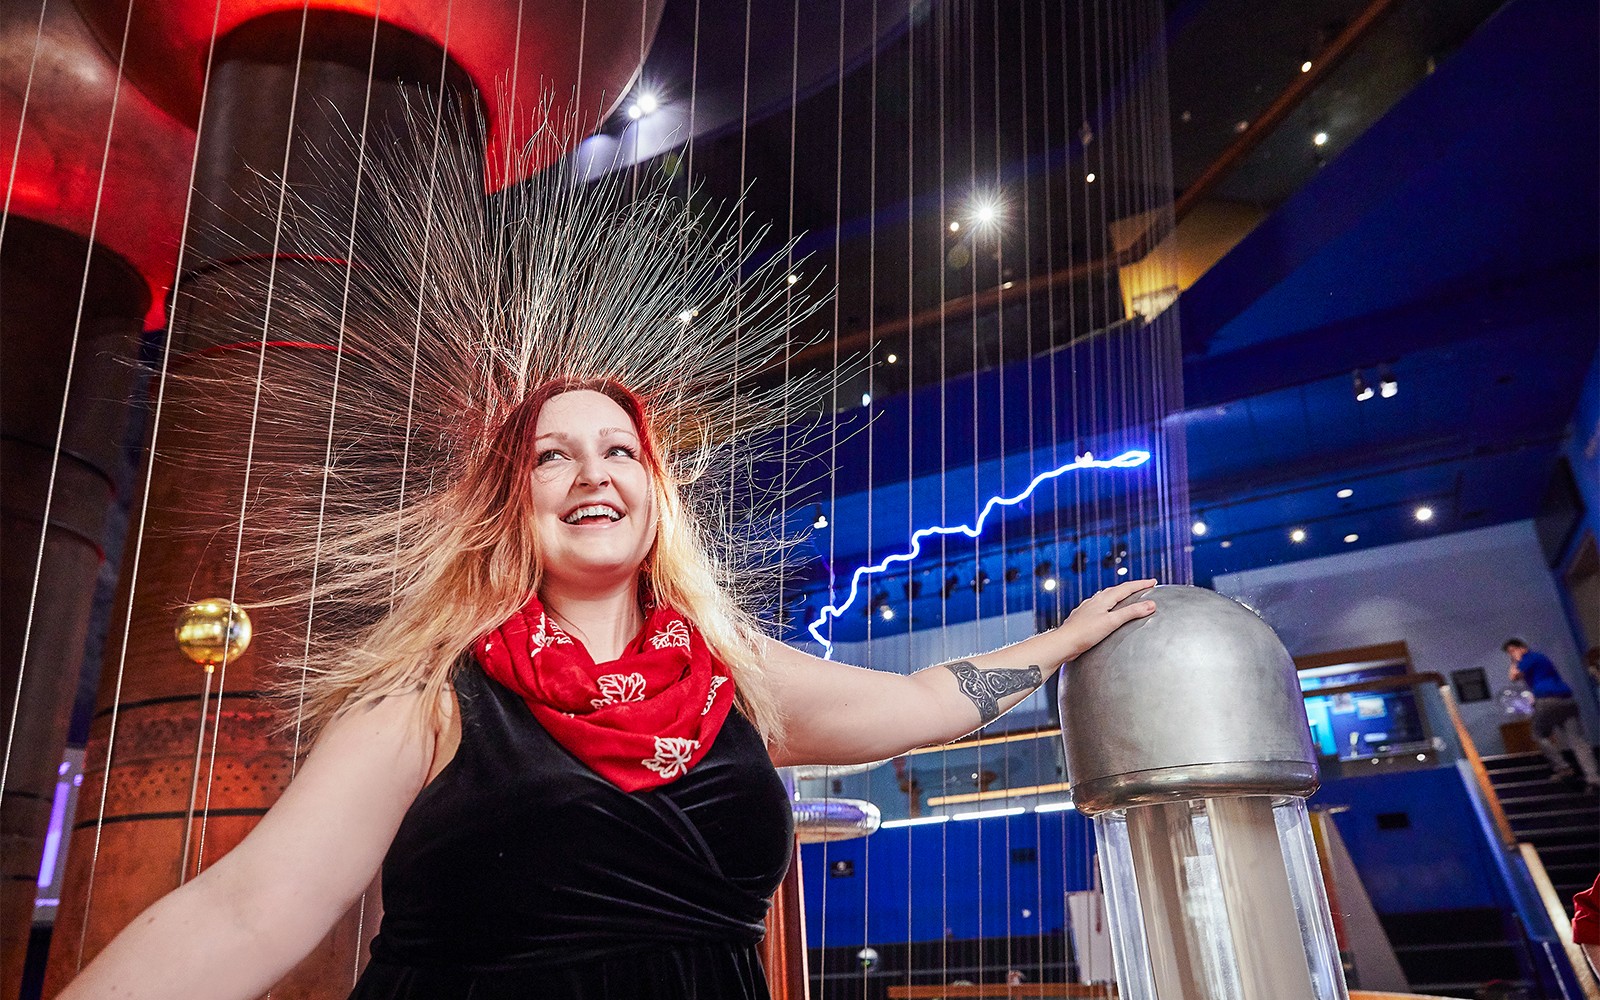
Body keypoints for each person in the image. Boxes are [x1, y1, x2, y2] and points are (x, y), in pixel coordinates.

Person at [55, 111, 1161, 999]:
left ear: (651, 491)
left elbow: (922, 699)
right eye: (551, 456)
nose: (592, 472)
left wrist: (1061, 640)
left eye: (617, 448)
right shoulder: (431, 696)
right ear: (511, 502)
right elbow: (247, 910)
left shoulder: (734, 676)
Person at [1504, 638, 1600, 791]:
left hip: (1548, 702)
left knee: (1539, 734)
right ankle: (1594, 778)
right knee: (1578, 741)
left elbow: (1513, 676)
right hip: (1567, 700)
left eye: (1511, 651)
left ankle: (1563, 768)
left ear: (1521, 648)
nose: (1511, 654)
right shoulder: (1541, 658)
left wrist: (1515, 660)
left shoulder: (1528, 658)